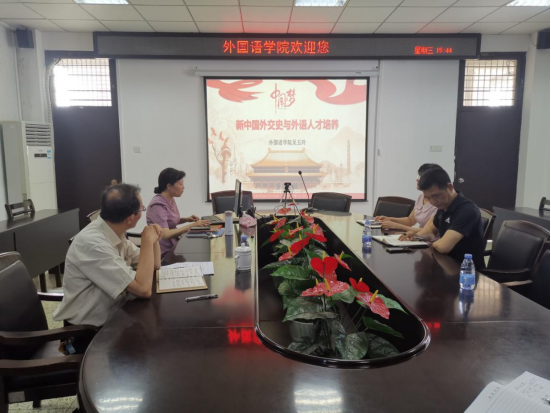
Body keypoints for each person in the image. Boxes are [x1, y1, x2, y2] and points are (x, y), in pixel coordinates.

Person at [54, 184, 163, 349]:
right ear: (130, 219)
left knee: (155, 337)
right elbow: (143, 290)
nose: (143, 212)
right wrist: (147, 241)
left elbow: (155, 264)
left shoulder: (113, 231)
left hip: (115, 320)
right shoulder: (93, 244)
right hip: (88, 334)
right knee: (155, 344)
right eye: (142, 209)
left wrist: (154, 238)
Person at [400, 168, 486, 269]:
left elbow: (443, 247)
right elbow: (430, 231)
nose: (433, 202)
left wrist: (432, 244)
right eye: (428, 198)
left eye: (435, 196)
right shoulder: (443, 206)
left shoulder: (467, 210)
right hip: (446, 264)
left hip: (466, 271)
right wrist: (416, 236)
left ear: (449, 187)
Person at [147, 168, 210, 257]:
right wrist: (192, 225)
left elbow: (169, 221)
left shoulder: (170, 199)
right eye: (181, 184)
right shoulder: (158, 205)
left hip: (175, 245)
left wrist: (187, 219)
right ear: (169, 186)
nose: (183, 187)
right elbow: (166, 234)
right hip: (164, 252)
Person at [375, 163, 441, 233]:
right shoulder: (421, 197)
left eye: (420, 177)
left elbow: (427, 231)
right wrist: (389, 219)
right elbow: (410, 220)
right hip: (418, 237)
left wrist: (397, 226)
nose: (417, 179)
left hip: (428, 238)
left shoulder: (438, 204)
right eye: (418, 176)